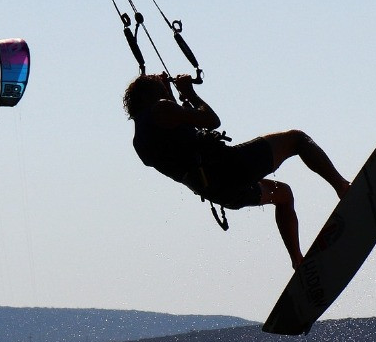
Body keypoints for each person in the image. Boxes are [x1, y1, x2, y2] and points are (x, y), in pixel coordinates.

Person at [123, 73, 351, 269]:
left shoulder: (140, 141)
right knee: (297, 139)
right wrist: (189, 93)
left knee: (283, 195)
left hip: (220, 192)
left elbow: (178, 135)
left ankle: (297, 261)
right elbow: (212, 121)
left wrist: (171, 94)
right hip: (231, 167)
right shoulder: (161, 109)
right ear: (149, 96)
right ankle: (342, 187)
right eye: (161, 90)